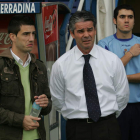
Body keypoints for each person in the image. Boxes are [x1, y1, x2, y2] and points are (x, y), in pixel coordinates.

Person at [50, 10, 129, 140]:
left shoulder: (112, 60)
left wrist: (107, 116)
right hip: (77, 129)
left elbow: (122, 95)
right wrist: (77, 116)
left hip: (108, 126)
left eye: (90, 30)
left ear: (95, 30)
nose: (86, 35)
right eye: (81, 31)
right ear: (72, 33)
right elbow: (58, 99)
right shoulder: (60, 65)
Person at [0, 15, 52, 140]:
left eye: (33, 34)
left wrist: (45, 104)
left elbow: (48, 106)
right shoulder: (1, 65)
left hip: (37, 136)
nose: (31, 38)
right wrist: (20, 120)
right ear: (12, 37)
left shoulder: (39, 66)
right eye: (26, 34)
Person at [98, 4, 140, 140]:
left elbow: (112, 75)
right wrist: (130, 54)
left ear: (134, 20)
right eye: (122, 17)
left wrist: (121, 77)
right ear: (114, 20)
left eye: (130, 17)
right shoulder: (104, 45)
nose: (126, 20)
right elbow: (105, 75)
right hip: (115, 107)